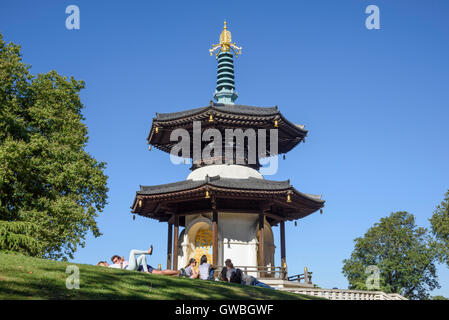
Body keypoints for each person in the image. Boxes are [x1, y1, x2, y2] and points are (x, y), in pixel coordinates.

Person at [102, 245, 180, 276]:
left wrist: (123, 261)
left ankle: (178, 273)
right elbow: (121, 270)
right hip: (131, 269)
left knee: (142, 256)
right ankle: (148, 252)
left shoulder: (124, 261)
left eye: (117, 259)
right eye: (115, 261)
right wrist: (121, 263)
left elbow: (132, 263)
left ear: (119, 258)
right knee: (132, 251)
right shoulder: (115, 266)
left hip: (142, 266)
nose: (117, 261)